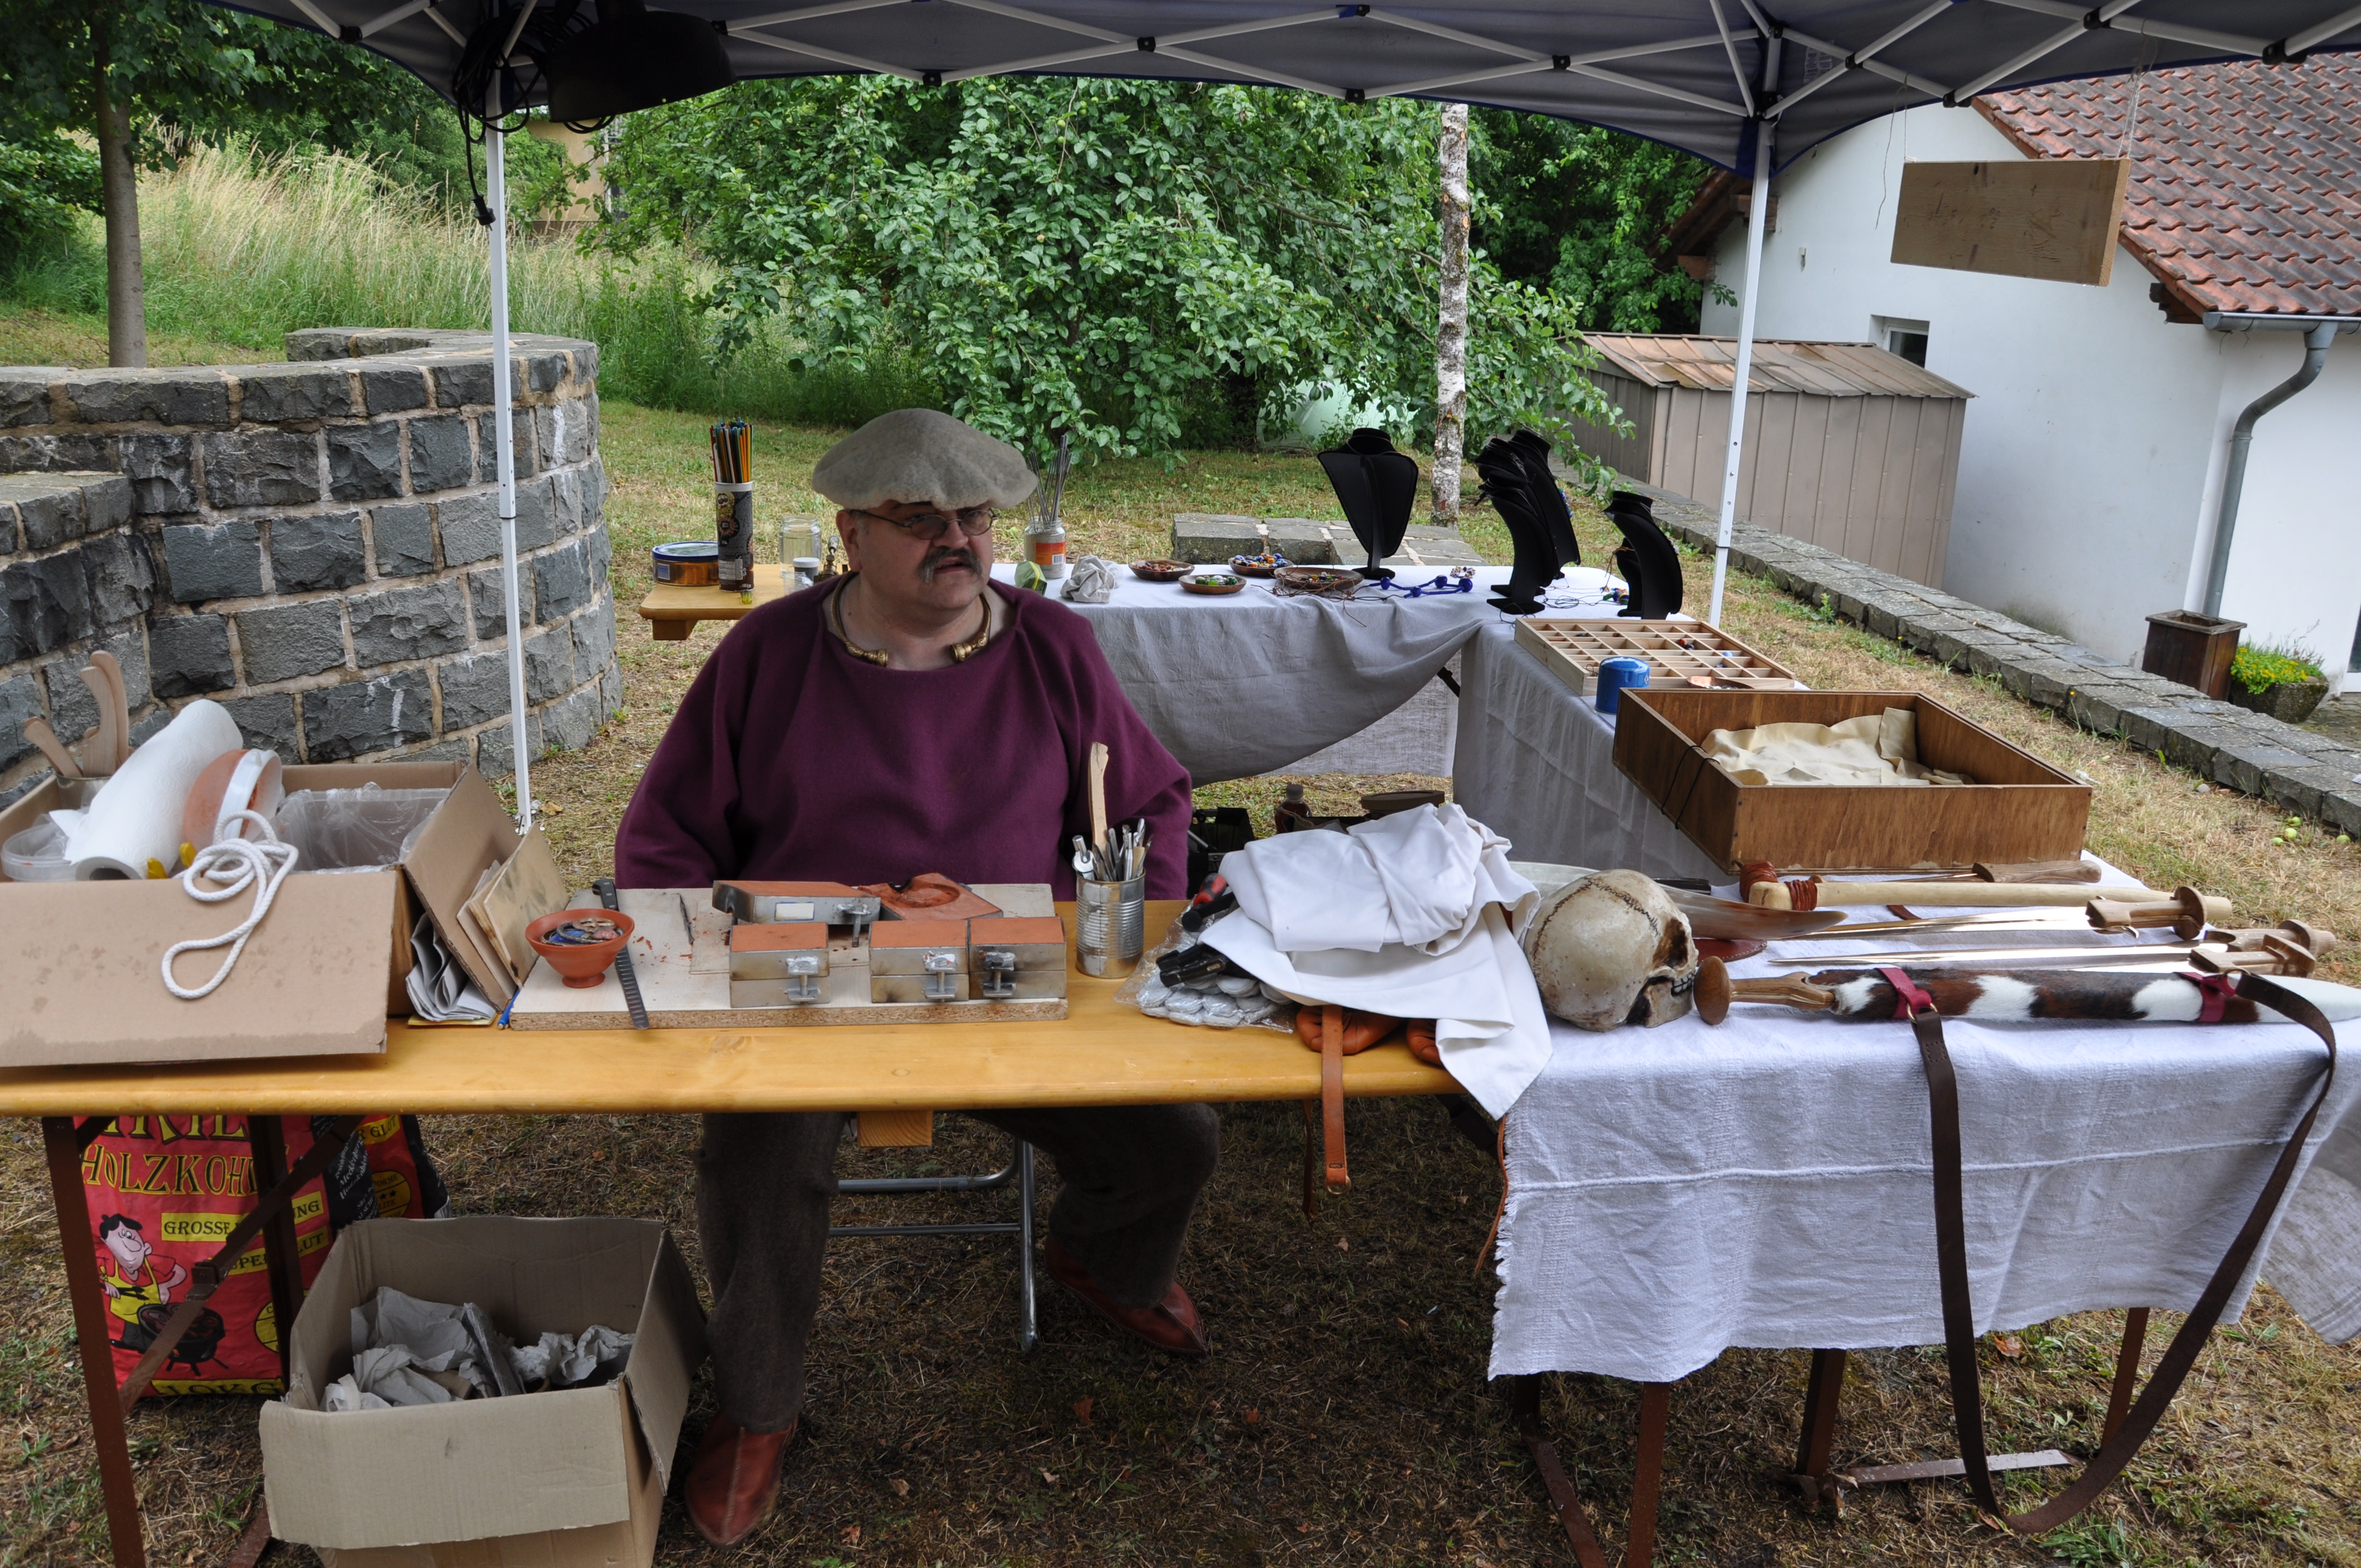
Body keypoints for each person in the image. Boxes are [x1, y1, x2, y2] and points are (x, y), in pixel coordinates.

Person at [615, 407, 1214, 1547]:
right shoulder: (766, 655)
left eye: (974, 517)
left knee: (1172, 1135)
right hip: (809, 990)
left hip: (1008, 980)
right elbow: (663, 837)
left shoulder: (1054, 648)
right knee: (755, 1153)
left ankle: (1099, 1256)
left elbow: (1150, 799)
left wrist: (1137, 920)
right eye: (918, 519)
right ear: (848, 533)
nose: (955, 539)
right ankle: (753, 1407)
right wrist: (689, 946)